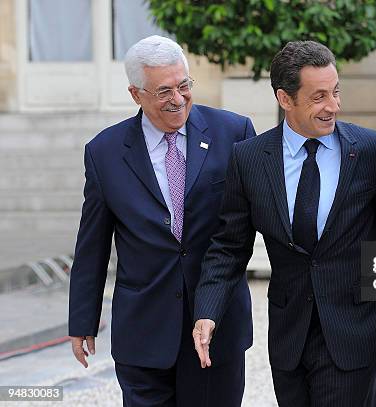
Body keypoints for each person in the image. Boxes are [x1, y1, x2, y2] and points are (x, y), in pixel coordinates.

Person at [192, 40, 376, 407]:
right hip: (289, 334)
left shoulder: (368, 148)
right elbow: (230, 245)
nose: (334, 106)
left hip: (354, 329)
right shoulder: (249, 159)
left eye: (336, 91)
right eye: (319, 96)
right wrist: (207, 311)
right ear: (285, 99)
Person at [68, 35, 254, 406]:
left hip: (216, 322)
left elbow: (258, 218)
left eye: (184, 85)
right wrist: (82, 320)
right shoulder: (104, 152)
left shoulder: (233, 134)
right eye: (164, 91)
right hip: (143, 328)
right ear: (136, 94)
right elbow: (93, 242)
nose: (178, 99)